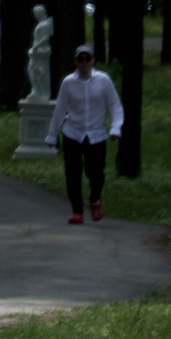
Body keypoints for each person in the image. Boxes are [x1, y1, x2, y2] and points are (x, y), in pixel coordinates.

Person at [44, 44, 124, 224]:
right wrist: (52, 135)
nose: (84, 62)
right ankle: (77, 211)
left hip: (96, 134)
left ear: (93, 60)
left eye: (87, 58)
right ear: (75, 62)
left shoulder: (103, 80)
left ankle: (95, 198)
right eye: (80, 59)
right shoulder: (68, 83)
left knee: (95, 172)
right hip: (73, 132)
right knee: (72, 173)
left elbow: (115, 105)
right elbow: (60, 109)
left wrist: (115, 128)